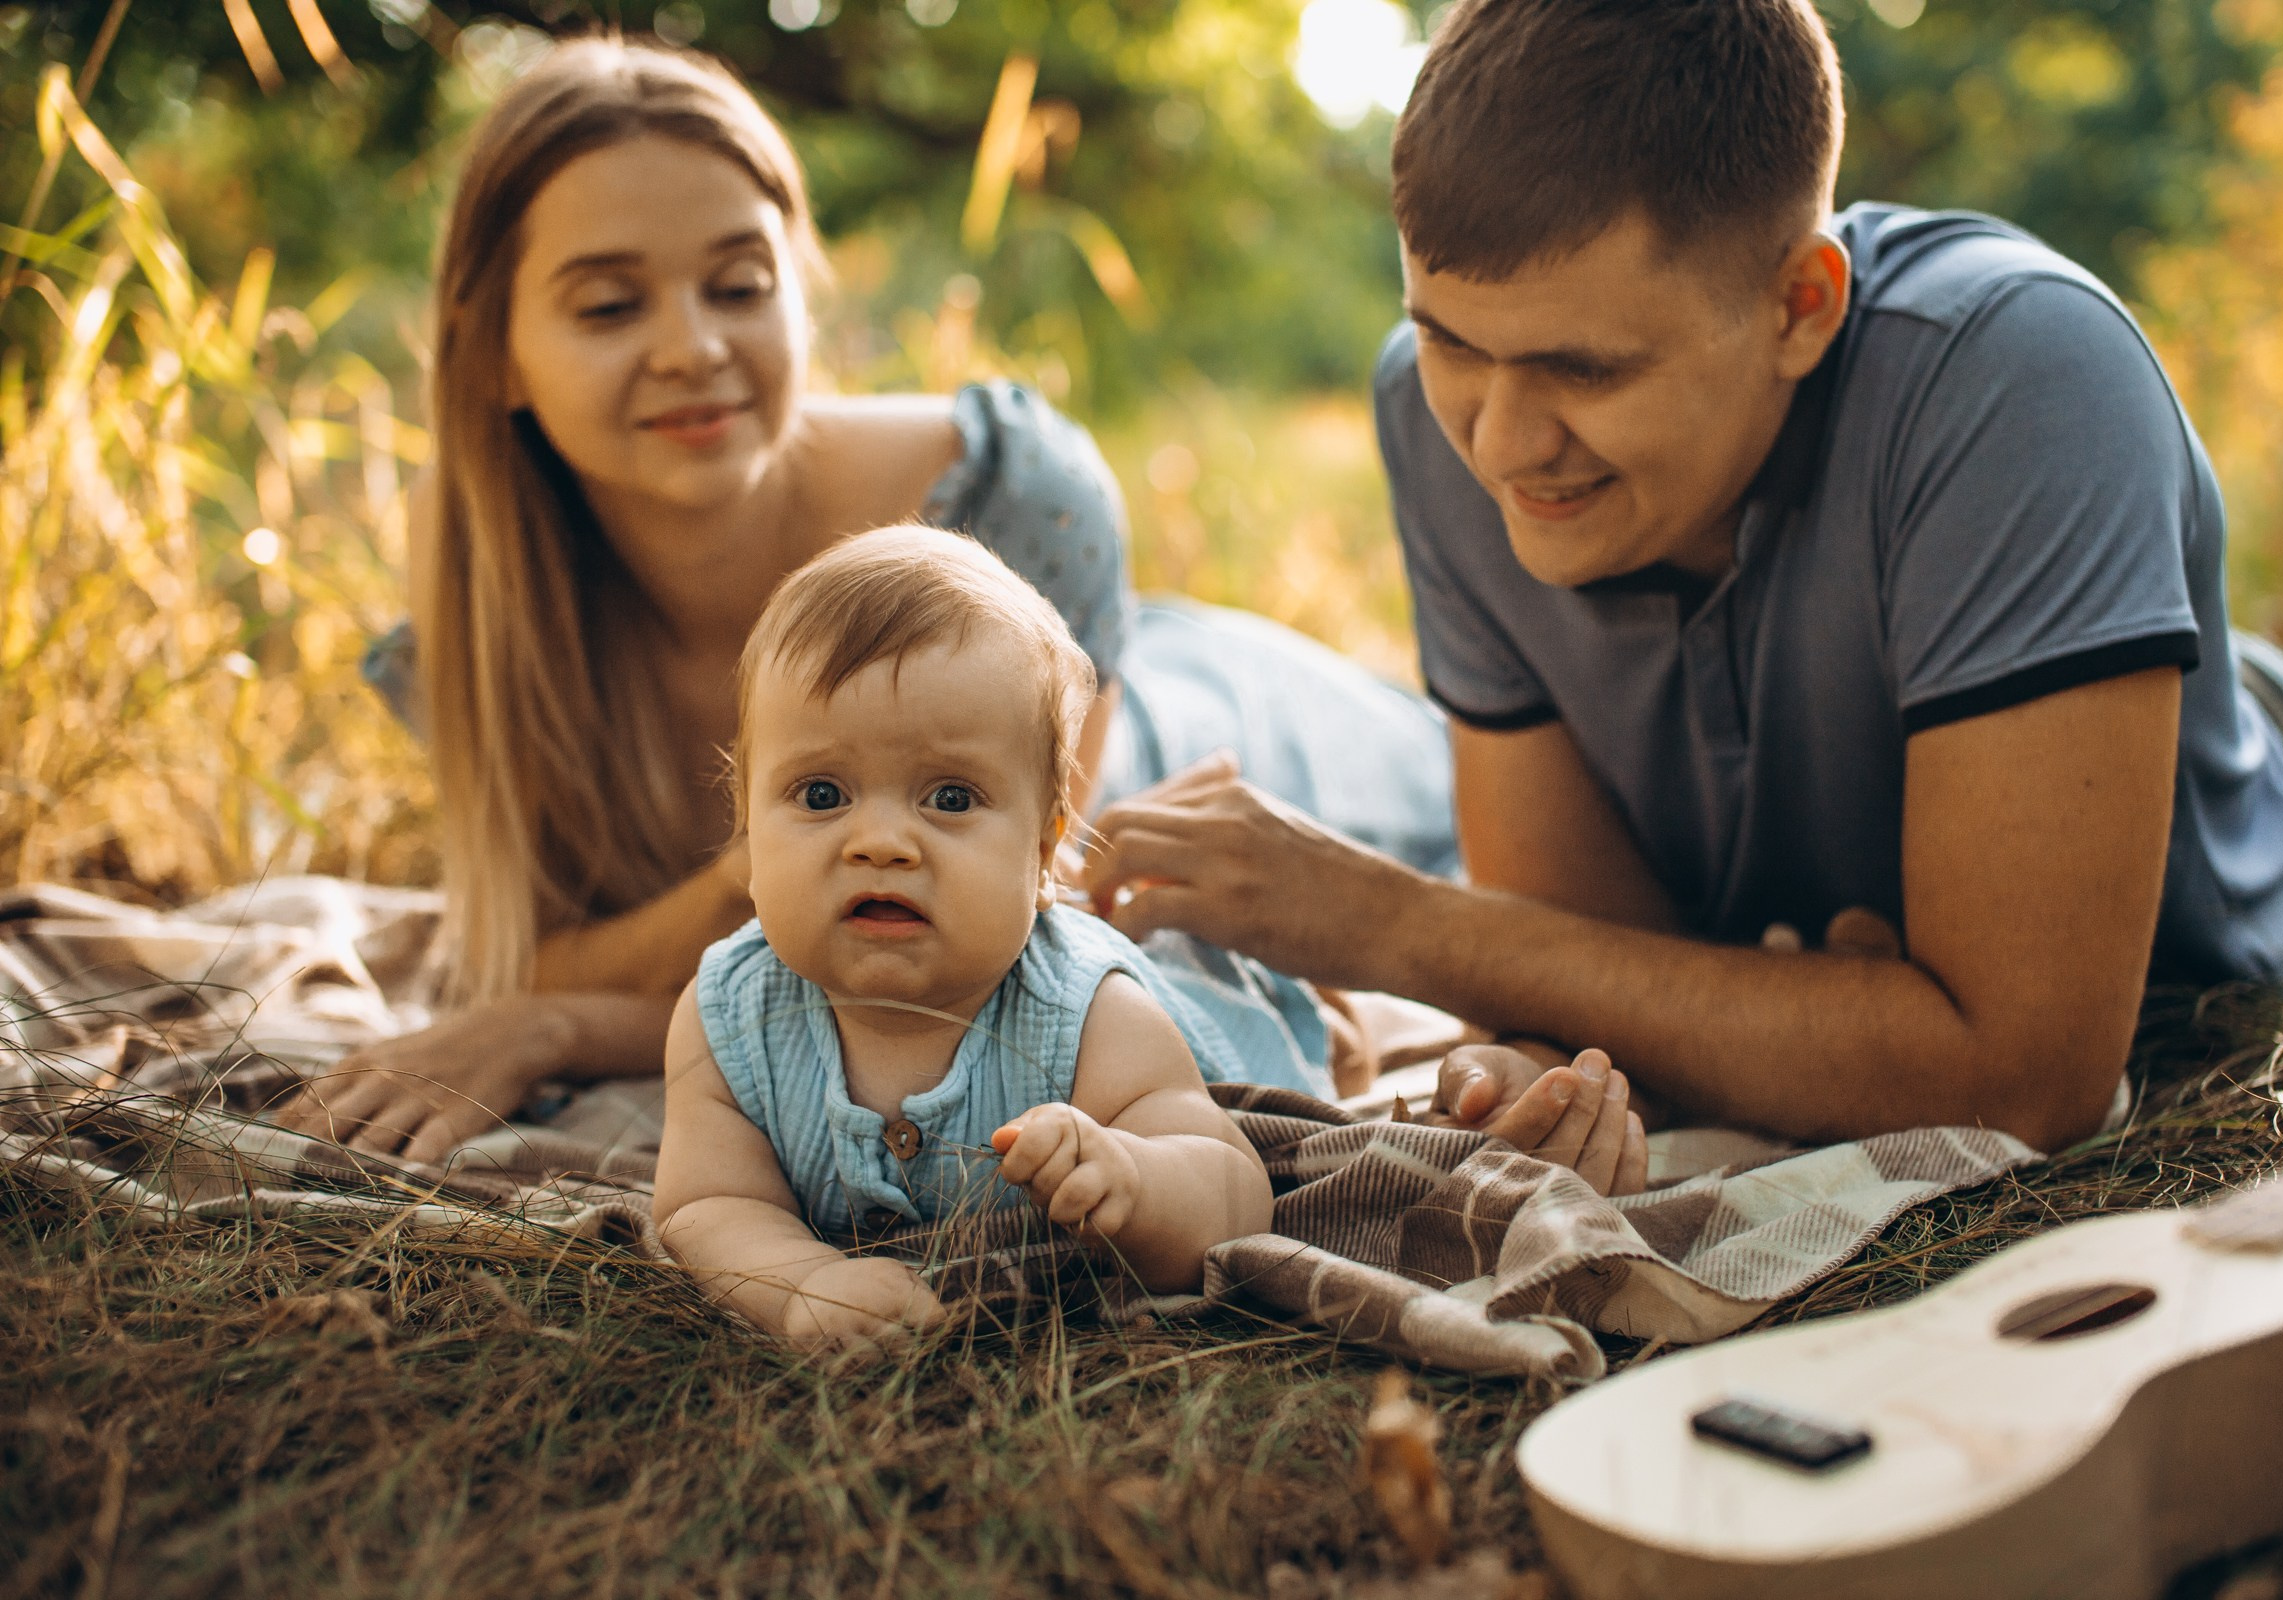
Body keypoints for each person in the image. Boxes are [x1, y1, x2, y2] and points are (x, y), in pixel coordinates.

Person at [1076, 0, 2283, 1155]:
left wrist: (1401, 926)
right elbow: (1580, 962)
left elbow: (2023, 1078)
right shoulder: (1442, 421)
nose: (1499, 440)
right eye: (1449, 342)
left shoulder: (2020, 375)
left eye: (1587, 371)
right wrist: (1785, 1024)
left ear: (1801, 306)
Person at [283, 38, 1459, 1164]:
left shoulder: (1009, 492)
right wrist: (707, 902)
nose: (694, 346)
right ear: (492, 353)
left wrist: (565, 1022)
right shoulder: (495, 597)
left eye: (738, 284)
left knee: (1452, 797)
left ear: (802, 293)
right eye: (608, 307)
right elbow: (542, 950)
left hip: (1240, 750)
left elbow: (995, 967)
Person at [654, 527, 1284, 1353]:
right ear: (746, 823)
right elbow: (707, 1206)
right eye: (820, 793)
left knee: (1277, 1021)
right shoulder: (728, 1019)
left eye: (949, 799)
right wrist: (802, 1281)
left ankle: (1324, 1013)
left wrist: (1134, 1174)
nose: (880, 842)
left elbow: (1237, 1188)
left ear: (1043, 848)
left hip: (1217, 1021)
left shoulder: (1090, 1014)